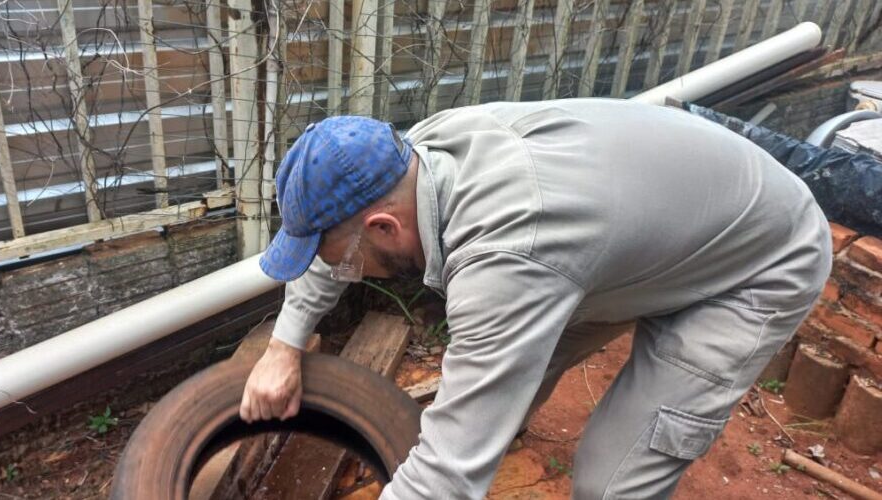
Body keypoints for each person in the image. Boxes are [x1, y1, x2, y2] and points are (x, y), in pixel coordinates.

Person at [239, 99, 831, 499]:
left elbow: (445, 475)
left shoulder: (510, 257)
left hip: (757, 261)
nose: (345, 273)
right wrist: (284, 345)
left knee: (608, 481)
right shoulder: (410, 157)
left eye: (345, 262)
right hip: (655, 232)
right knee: (505, 382)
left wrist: (455, 455)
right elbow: (335, 232)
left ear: (385, 228)